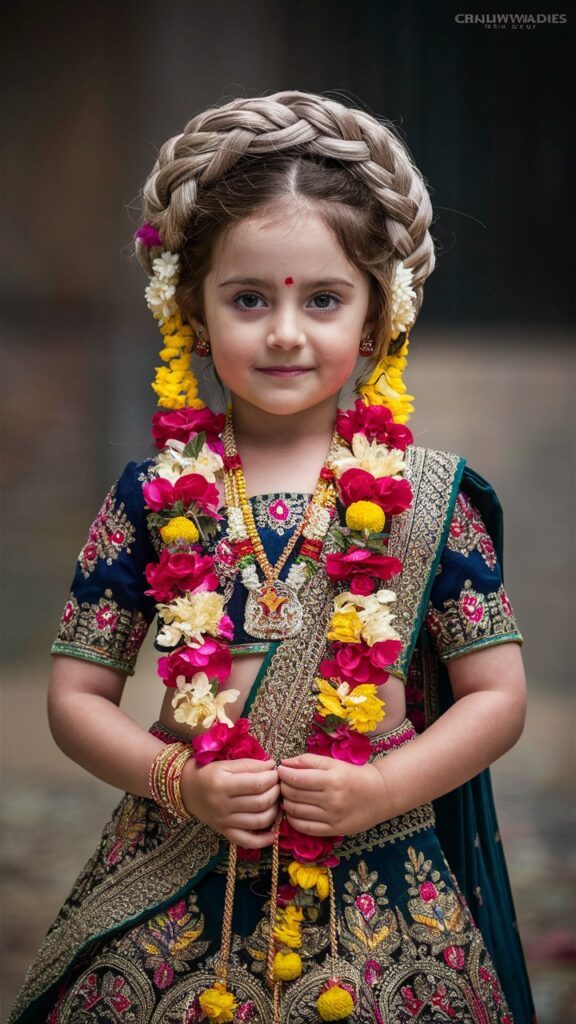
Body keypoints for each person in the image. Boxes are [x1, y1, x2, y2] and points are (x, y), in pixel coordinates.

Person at [9, 90, 537, 1024]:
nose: (286, 332)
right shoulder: (147, 496)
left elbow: (497, 697)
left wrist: (378, 788)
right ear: (192, 313)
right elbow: (75, 700)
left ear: (378, 317)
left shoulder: (429, 498)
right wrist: (181, 780)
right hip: (180, 872)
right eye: (249, 298)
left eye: (324, 299)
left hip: (380, 892)